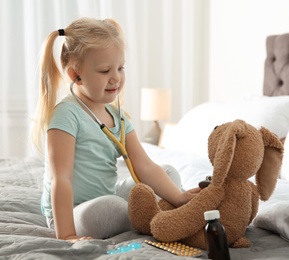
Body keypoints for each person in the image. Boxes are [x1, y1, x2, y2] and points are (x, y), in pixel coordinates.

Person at [32, 17, 200, 243]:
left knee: (169, 172)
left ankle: (169, 211)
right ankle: (163, 217)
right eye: (104, 71)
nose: (116, 78)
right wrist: (67, 235)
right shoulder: (66, 115)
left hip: (106, 194)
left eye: (121, 68)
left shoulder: (117, 117)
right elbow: (60, 178)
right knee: (113, 209)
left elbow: (144, 166)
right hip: (72, 212)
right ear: (75, 75)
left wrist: (179, 197)